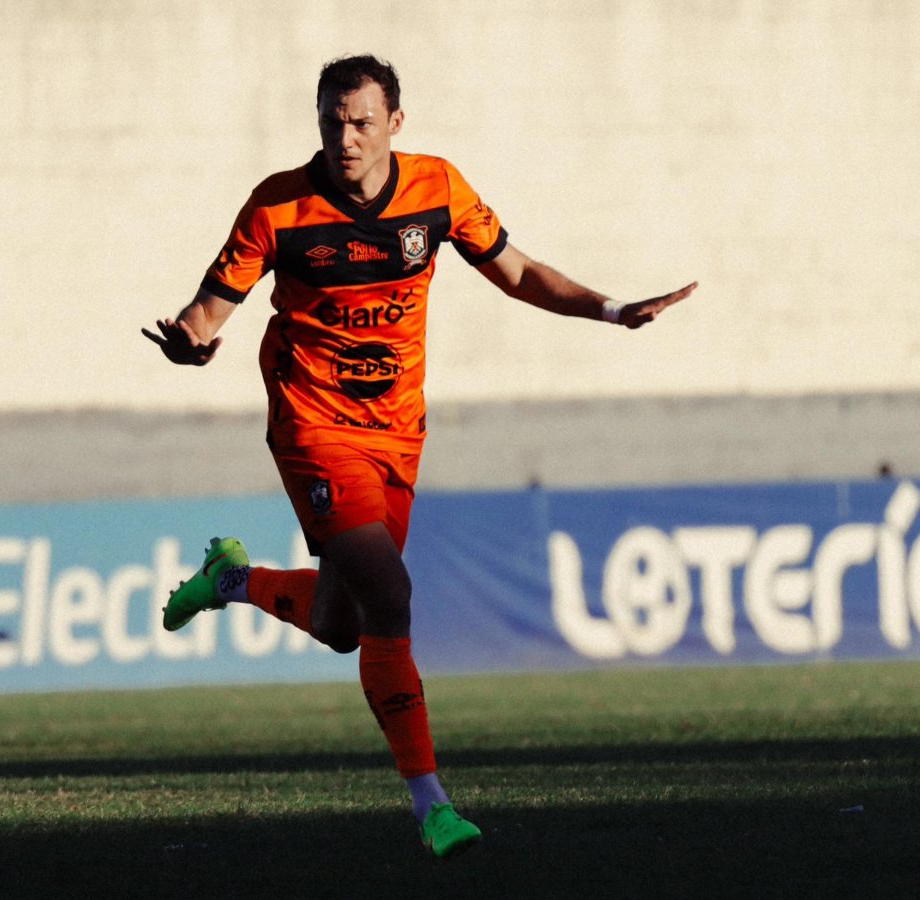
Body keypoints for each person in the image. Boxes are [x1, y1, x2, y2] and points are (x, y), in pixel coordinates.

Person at [144, 53, 697, 858]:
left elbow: (519, 272)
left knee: (342, 625)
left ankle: (230, 578)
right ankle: (431, 804)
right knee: (392, 598)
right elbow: (207, 310)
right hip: (313, 424)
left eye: (363, 121)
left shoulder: (436, 191)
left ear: (396, 123)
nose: (346, 136)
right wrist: (191, 345)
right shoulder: (278, 207)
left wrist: (612, 310)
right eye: (333, 120)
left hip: (398, 430)